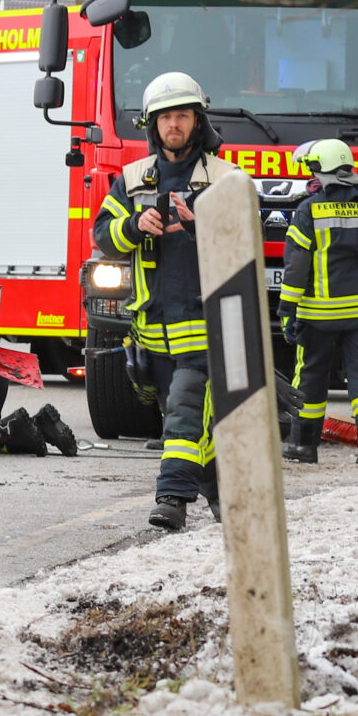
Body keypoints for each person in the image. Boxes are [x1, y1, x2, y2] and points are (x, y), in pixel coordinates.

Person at [92, 71, 229, 531]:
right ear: (153, 124)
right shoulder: (132, 180)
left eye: (183, 116)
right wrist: (134, 226)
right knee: (183, 419)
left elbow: (244, 240)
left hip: (206, 322)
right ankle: (225, 494)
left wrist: (197, 225)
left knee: (186, 410)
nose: (175, 124)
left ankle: (172, 498)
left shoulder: (225, 178)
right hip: (153, 330)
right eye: (166, 117)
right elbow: (102, 236)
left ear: (198, 121)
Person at [280, 139, 358, 468]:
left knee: (310, 376)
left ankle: (303, 445)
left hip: (319, 315)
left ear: (321, 169)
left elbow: (296, 268)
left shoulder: (309, 210)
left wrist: (287, 310)